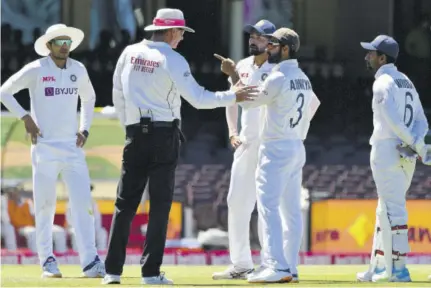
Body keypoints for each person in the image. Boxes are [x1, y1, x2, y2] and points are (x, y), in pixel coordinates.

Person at [102, 8, 257, 286]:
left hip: (135, 134)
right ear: (172, 31)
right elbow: (198, 98)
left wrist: (130, 127)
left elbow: (117, 93)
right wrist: (232, 96)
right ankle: (150, 274)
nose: (182, 38)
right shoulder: (172, 59)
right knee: (160, 206)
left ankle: (112, 272)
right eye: (181, 33)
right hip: (163, 135)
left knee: (124, 204)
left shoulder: (129, 53)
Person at [0, 24, 105, 278]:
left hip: (72, 148)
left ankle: (90, 262)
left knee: (82, 204)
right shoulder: (37, 69)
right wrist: (25, 117)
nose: (65, 45)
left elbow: (89, 98)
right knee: (45, 205)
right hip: (44, 148)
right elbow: (4, 91)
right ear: (49, 45)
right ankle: (47, 259)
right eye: (59, 41)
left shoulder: (78, 69)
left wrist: (85, 129)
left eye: (67, 41)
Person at [238, 27, 318, 283]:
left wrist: (233, 79)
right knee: (291, 211)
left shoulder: (277, 76)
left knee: (268, 207)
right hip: (296, 144)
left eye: (272, 45)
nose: (268, 48)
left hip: (276, 147)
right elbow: (313, 106)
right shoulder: (303, 77)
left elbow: (248, 102)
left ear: (285, 49)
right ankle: (290, 266)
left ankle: (276, 265)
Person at [356, 35, 429, 283]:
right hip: (406, 152)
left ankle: (398, 269)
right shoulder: (405, 80)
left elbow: (393, 121)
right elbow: (421, 119)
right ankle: (378, 266)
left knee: (393, 210)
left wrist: (412, 142)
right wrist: (418, 144)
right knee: (384, 208)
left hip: (388, 149)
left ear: (382, 58)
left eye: (371, 53)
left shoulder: (383, 82)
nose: (367, 57)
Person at [211, 19, 276, 280]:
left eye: (259, 37)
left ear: (271, 43)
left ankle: (270, 264)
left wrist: (233, 75)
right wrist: (232, 132)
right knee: (236, 202)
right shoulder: (243, 65)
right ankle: (241, 264)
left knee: (267, 206)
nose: (252, 39)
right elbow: (233, 100)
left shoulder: (277, 69)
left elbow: (251, 96)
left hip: (270, 144)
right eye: (251, 35)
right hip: (247, 142)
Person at [5, 188, 67, 254]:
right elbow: (12, 220)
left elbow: (35, 216)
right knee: (32, 232)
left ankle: (62, 254)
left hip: (36, 225)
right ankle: (36, 255)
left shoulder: (27, 202)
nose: (15, 195)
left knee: (59, 231)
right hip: (22, 227)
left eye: (16, 193)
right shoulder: (8, 204)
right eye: (12, 193)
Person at [66, 184, 108, 251]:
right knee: (76, 233)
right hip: (76, 228)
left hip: (91, 227)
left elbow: (97, 218)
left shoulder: (92, 202)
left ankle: (101, 255)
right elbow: (70, 219)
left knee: (102, 233)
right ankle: (77, 255)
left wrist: (93, 228)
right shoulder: (72, 202)